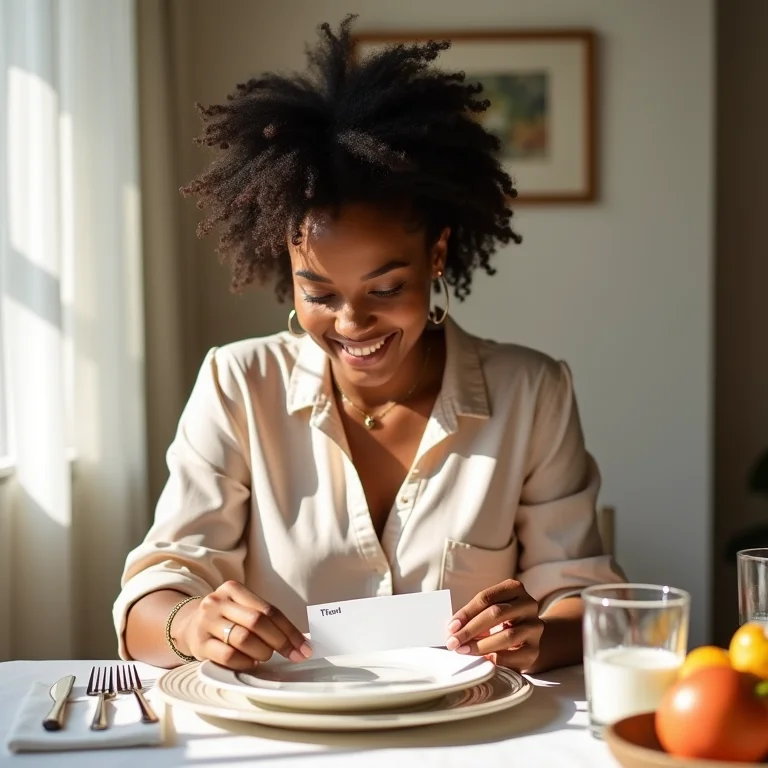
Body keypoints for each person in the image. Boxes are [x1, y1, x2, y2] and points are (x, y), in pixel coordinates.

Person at [114, 16, 623, 674]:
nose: (352, 322)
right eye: (320, 293)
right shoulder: (238, 384)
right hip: (289, 724)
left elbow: (582, 597)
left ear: (436, 255)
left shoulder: (531, 392)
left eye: (385, 289)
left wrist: (539, 634)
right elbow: (150, 602)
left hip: (465, 722)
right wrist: (189, 623)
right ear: (288, 270)